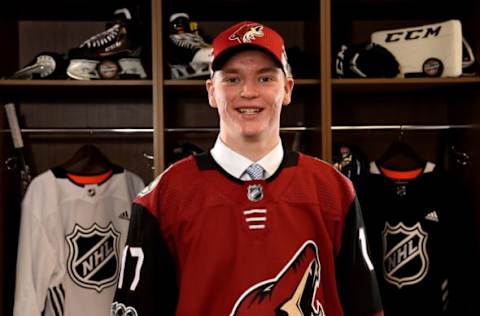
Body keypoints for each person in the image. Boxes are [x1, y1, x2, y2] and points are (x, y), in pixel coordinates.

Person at [111, 21, 384, 316]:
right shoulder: (163, 197)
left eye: (265, 79)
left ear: (287, 89)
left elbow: (364, 306)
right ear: (211, 92)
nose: (249, 92)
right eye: (232, 79)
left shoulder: (332, 189)